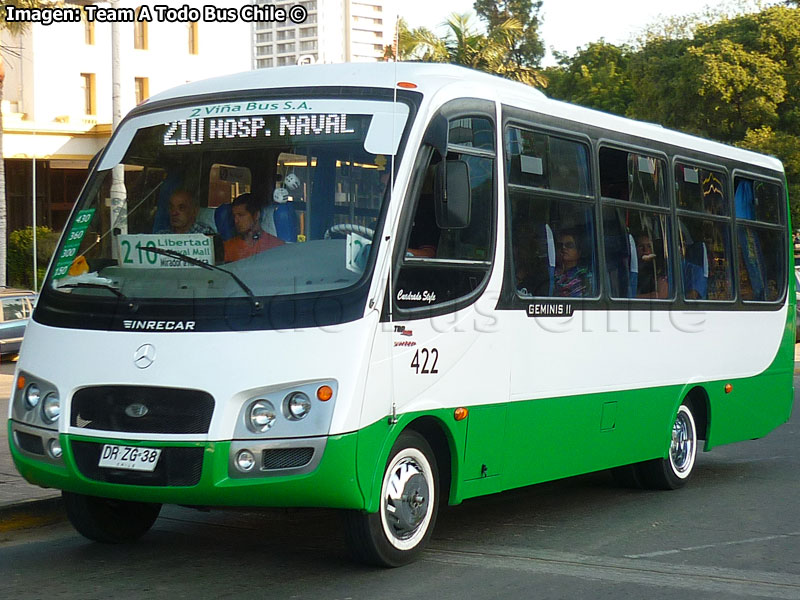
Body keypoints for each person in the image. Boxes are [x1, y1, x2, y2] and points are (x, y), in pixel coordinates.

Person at [223, 193, 284, 262]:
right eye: (234, 216)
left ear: (256, 215)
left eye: (241, 215)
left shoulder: (276, 246)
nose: (236, 221)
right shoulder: (229, 247)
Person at [553, 229, 592, 297]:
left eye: (569, 245)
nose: (563, 248)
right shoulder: (552, 273)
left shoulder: (584, 276)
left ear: (579, 252)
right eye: (560, 245)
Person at [636, 233, 669, 299]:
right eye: (641, 246)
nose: (645, 250)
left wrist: (632, 298)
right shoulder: (629, 269)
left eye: (649, 246)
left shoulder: (658, 269)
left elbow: (661, 295)